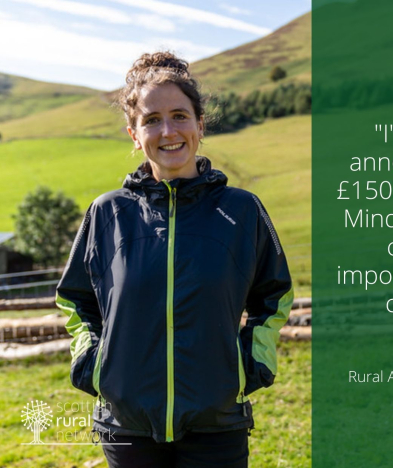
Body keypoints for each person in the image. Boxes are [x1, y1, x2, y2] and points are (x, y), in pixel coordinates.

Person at [56, 51, 293, 468]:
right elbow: (76, 299)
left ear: (200, 125)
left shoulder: (241, 210)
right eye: (151, 119)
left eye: (180, 116)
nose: (168, 131)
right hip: (127, 425)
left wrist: (249, 366)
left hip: (216, 423)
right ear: (134, 133)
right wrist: (94, 367)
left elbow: (274, 294)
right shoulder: (108, 213)